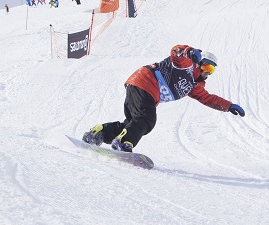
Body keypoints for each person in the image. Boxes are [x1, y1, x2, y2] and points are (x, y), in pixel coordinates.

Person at [81, 46, 245, 152]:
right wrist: (189, 52)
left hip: (139, 87)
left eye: (212, 70)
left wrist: (229, 106)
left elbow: (207, 99)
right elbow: (175, 51)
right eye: (207, 67)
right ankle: (123, 142)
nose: (208, 72)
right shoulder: (186, 64)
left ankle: (100, 133)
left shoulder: (195, 85)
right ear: (199, 63)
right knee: (146, 120)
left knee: (134, 124)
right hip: (145, 83)